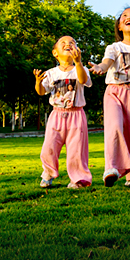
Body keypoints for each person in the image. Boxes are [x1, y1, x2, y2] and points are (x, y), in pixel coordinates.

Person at [89, 7, 130, 189]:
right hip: (114, 92)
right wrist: (100, 68)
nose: (129, 17)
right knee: (114, 127)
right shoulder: (114, 47)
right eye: (124, 15)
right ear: (119, 26)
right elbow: (106, 62)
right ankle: (111, 168)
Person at [34, 36, 92, 189]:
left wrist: (78, 62)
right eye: (63, 43)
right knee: (49, 146)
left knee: (77, 149)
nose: (68, 44)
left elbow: (83, 79)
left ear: (77, 50)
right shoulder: (51, 73)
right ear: (55, 53)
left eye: (72, 43)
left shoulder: (81, 68)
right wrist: (38, 82)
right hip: (57, 114)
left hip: (76, 114)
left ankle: (78, 179)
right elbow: (41, 92)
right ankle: (48, 173)